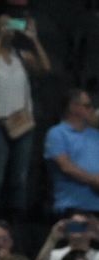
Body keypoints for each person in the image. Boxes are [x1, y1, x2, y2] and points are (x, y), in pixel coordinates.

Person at [45, 88, 99, 218]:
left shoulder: (95, 135)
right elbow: (66, 166)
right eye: (87, 106)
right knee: (77, 237)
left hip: (96, 207)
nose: (92, 109)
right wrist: (94, 180)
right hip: (73, 207)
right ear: (73, 107)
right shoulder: (57, 133)